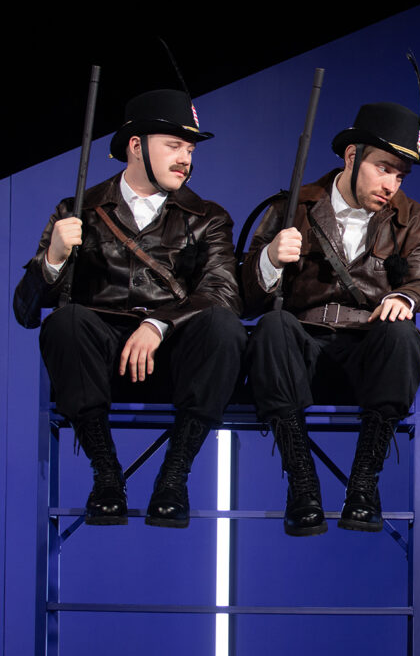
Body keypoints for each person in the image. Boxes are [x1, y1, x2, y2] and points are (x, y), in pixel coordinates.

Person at [13, 89, 246, 529]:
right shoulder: (78, 210)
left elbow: (223, 291)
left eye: (190, 149)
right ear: (136, 146)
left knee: (224, 326)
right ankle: (106, 476)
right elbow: (24, 312)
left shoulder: (208, 217)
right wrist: (53, 258)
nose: (185, 159)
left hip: (175, 359)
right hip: (98, 364)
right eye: (174, 146)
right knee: (65, 322)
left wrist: (158, 324)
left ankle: (173, 477)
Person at [241, 101, 420, 537]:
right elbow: (242, 296)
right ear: (352, 156)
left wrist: (406, 297)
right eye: (383, 168)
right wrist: (270, 259)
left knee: (402, 333)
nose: (391, 185)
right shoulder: (291, 207)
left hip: (365, 358)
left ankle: (364, 485)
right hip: (300, 354)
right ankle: (302, 484)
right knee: (273, 327)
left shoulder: (416, 222)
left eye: (400, 175)